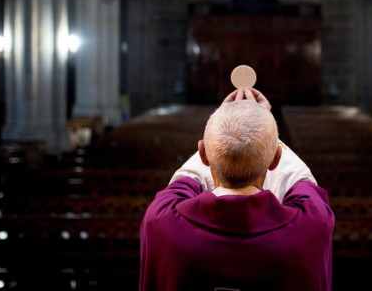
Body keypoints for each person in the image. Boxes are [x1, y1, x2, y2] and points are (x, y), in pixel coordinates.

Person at [139, 88, 334, 291]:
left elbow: (186, 179)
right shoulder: (311, 226)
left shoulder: (160, 221)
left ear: (204, 154)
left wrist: (224, 126)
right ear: (276, 158)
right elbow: (301, 181)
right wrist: (262, 126)